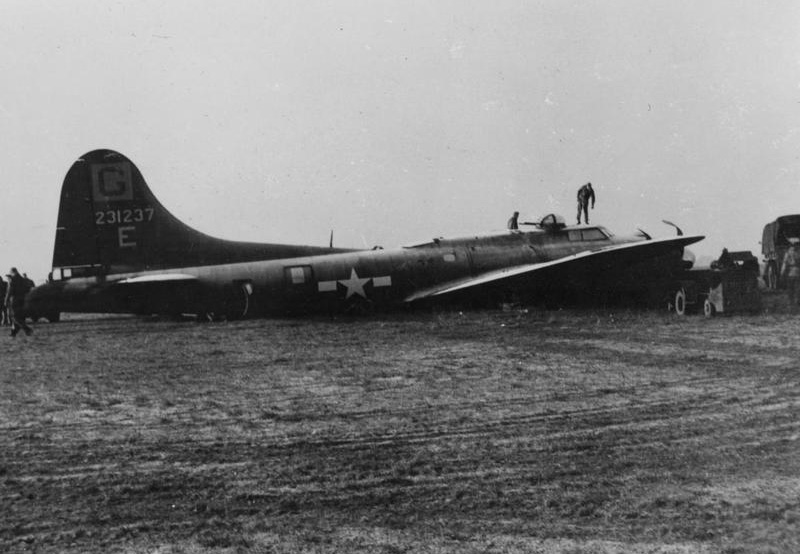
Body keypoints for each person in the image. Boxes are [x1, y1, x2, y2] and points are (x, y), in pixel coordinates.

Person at [5, 267, 33, 337]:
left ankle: (27, 329)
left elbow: (9, 291)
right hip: (23, 299)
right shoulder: (23, 280)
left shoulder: (12, 280)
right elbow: (28, 288)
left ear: (12, 272)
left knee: (15, 317)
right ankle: (13, 332)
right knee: (20, 316)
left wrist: (6, 300)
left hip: (14, 300)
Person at [781, 238, 800, 313]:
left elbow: (784, 265)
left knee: (791, 290)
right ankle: (796, 305)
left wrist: (782, 274)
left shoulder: (788, 253)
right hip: (798, 273)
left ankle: (792, 305)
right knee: (797, 290)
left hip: (790, 274)